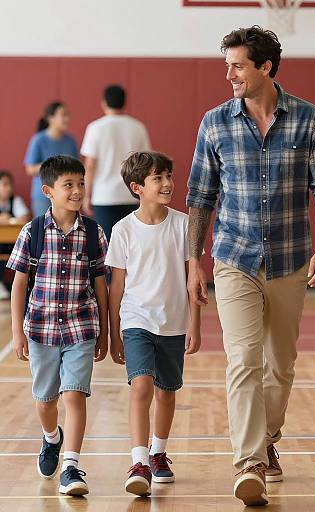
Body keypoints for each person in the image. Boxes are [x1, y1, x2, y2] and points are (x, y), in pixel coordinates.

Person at [187, 26, 315, 507]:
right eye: (228, 65)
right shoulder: (214, 123)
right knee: (243, 361)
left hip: (292, 259)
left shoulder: (309, 119)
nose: (229, 74)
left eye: (237, 66)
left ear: (265, 68)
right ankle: (249, 461)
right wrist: (195, 261)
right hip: (233, 258)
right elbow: (199, 198)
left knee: (281, 364)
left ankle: (268, 435)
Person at [8, 156, 108, 496]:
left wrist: (105, 331)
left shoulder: (94, 233)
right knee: (46, 400)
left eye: (81, 184)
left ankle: (71, 466)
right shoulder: (32, 231)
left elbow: (100, 286)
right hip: (41, 330)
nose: (77, 191)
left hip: (81, 327)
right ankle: (52, 438)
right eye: (69, 185)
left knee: (74, 395)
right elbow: (20, 283)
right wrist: (17, 331)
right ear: (48, 190)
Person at [106, 151, 201, 497]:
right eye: (157, 178)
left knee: (166, 392)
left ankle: (159, 453)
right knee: (141, 386)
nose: (166, 184)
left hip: (174, 322)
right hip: (136, 321)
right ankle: (139, 460)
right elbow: (116, 285)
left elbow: (195, 280)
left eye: (168, 176)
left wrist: (196, 323)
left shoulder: (184, 224)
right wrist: (113, 331)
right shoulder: (122, 230)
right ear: (137, 187)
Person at [81, 84, 151, 240]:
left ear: (104, 102)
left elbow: (90, 165)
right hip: (131, 194)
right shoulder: (138, 127)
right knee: (130, 245)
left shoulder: (95, 127)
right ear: (125, 102)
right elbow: (146, 164)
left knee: (106, 245)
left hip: (104, 196)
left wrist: (86, 195)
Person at [24, 102, 79, 217]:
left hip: (67, 195)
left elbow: (76, 169)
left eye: (68, 115)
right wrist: (54, 165)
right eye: (63, 115)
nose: (67, 118)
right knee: (43, 232)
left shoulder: (71, 141)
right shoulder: (38, 140)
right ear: (51, 118)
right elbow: (29, 169)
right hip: (43, 197)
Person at [0, 170, 30, 299]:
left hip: (13, 242)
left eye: (10, 184)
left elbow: (25, 217)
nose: (9, 188)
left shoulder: (16, 200)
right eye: (5, 184)